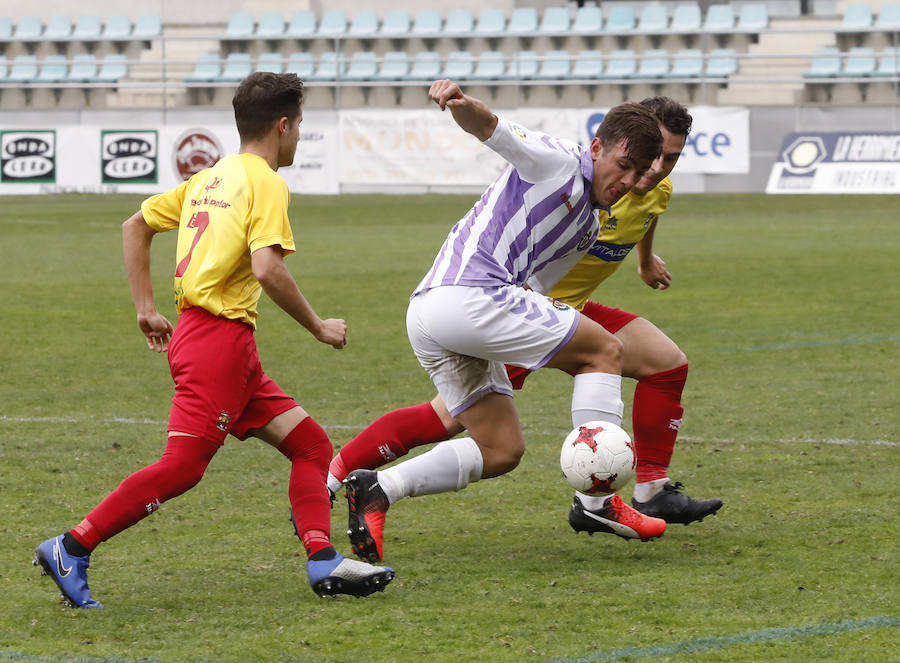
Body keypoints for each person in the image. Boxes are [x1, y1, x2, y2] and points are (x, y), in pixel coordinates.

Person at [33, 72, 394, 608]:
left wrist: (146, 310)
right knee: (182, 467)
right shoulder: (266, 181)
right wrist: (319, 326)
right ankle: (71, 546)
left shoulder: (210, 178)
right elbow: (267, 268)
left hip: (222, 344)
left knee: (312, 445)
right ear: (283, 124)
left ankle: (322, 561)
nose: (299, 136)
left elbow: (135, 225)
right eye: (300, 125)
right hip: (217, 344)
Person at [330, 96, 721, 562]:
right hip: (471, 295)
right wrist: (458, 101)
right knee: (603, 350)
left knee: (501, 450)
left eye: (646, 170)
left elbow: (537, 284)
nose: (634, 181)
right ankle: (597, 501)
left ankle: (377, 489)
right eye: (627, 166)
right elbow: (492, 129)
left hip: (439, 316)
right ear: (597, 147)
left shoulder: (588, 227)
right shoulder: (557, 160)